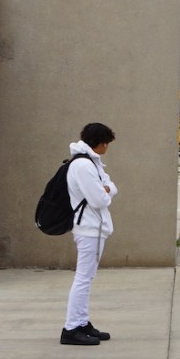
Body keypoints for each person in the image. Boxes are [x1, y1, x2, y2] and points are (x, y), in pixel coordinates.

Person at [60, 122, 118, 345]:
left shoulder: (91, 162)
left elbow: (110, 186)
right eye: (107, 144)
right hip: (89, 229)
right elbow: (99, 199)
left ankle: (81, 322)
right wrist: (106, 190)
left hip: (93, 227)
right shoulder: (83, 166)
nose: (107, 148)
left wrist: (106, 189)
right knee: (83, 278)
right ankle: (71, 327)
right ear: (100, 143)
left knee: (87, 277)